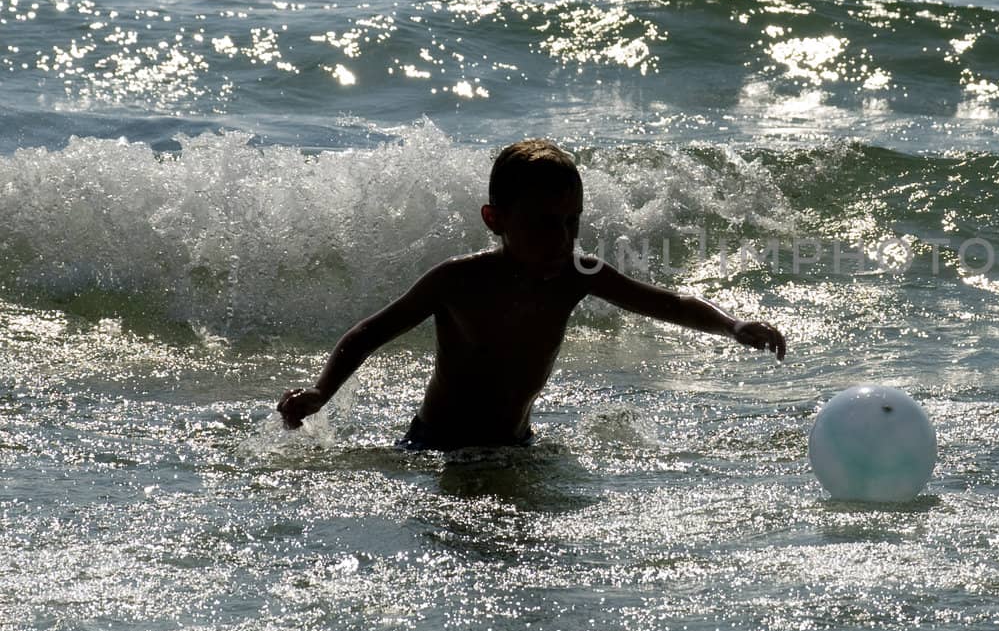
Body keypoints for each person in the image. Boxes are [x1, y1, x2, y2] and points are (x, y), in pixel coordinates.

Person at [277, 139, 788, 450]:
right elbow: (372, 331)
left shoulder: (577, 273)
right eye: (545, 224)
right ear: (495, 219)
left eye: (572, 222)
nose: (563, 238)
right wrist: (323, 391)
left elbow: (666, 302)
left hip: (516, 444)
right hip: (438, 445)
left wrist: (731, 325)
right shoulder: (459, 280)